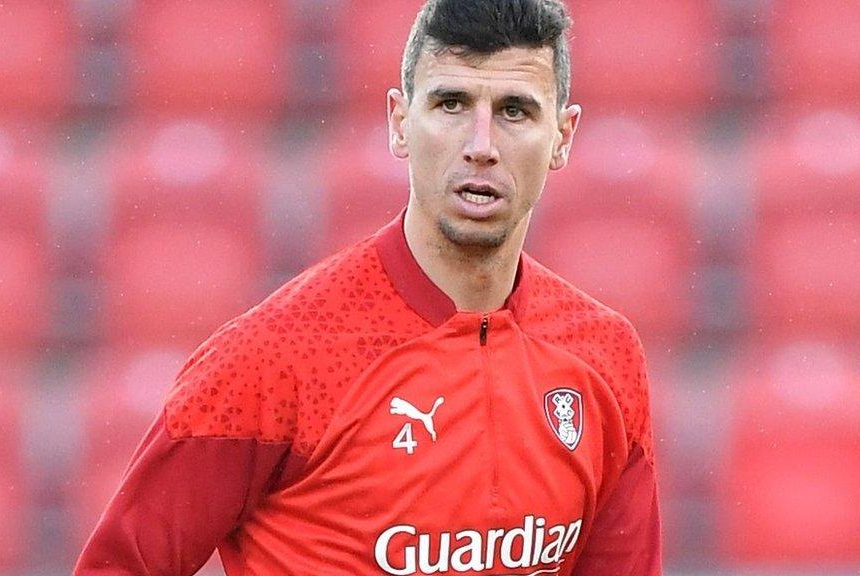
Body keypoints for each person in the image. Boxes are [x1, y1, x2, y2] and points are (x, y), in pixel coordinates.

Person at [74, 0, 662, 574]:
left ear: (562, 135)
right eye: (452, 103)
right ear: (400, 122)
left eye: (514, 111)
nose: (480, 145)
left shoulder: (604, 354)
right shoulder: (275, 354)